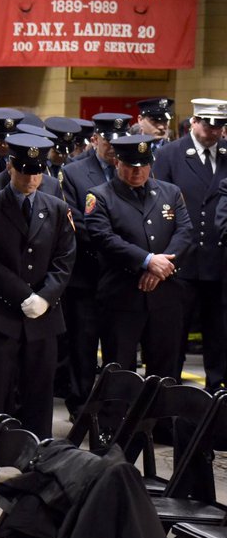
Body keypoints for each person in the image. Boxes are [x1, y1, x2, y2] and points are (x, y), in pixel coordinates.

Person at [0, 133, 75, 439]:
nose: (31, 177)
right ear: (10, 166)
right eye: (25, 170)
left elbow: (65, 258)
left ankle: (36, 461)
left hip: (44, 319)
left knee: (39, 398)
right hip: (0, 316)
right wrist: (24, 295)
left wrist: (44, 297)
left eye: (37, 170)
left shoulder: (56, 208)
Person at [85, 134, 193, 383]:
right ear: (117, 163)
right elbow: (103, 237)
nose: (137, 172)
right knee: (119, 371)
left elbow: (185, 232)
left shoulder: (170, 192)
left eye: (143, 165)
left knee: (164, 371)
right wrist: (146, 260)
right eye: (131, 166)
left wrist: (159, 268)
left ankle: (161, 422)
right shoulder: (99, 196)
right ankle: (116, 422)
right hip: (122, 296)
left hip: (165, 295)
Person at [156, 99, 227, 393]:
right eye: (208, 124)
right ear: (194, 121)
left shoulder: (226, 155)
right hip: (181, 262)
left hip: (219, 262)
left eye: (219, 126)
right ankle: (167, 398)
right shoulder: (170, 154)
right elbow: (160, 207)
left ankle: (217, 401)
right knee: (173, 340)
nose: (213, 132)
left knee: (219, 338)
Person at [60, 113, 128, 410]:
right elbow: (73, 220)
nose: (114, 148)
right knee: (82, 346)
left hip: (121, 274)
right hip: (87, 272)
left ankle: (114, 407)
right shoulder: (74, 172)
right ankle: (82, 406)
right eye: (108, 142)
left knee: (119, 346)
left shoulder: (131, 170)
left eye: (119, 142)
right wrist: (116, 240)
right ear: (95, 139)